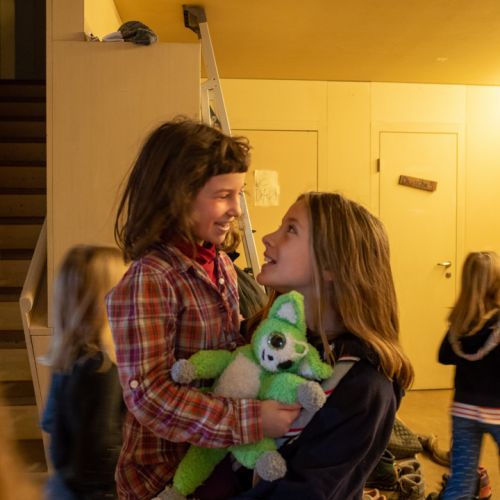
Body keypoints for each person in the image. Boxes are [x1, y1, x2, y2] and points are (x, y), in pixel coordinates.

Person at [105, 118, 300, 500]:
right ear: (175, 197)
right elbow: (150, 396)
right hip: (164, 479)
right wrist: (250, 420)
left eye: (239, 194)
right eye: (223, 195)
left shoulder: (221, 263)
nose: (236, 209)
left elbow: (226, 348)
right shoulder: (150, 279)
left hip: (217, 461)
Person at [233, 191, 414, 499]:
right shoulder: (266, 335)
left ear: (331, 265)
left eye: (291, 229)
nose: (267, 238)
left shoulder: (365, 386)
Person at [41, 245, 127, 499]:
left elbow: (49, 422)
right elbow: (102, 451)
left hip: (64, 485)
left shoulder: (69, 357)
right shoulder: (102, 368)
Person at [438, 251, 500, 500]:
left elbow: (443, 356)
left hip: (463, 411)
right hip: (497, 411)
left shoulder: (460, 324)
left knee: (461, 481)